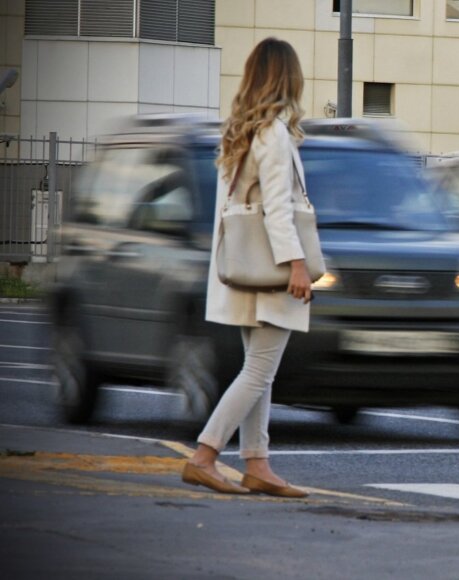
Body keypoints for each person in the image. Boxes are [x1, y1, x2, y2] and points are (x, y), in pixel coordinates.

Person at [181, 38, 314, 498]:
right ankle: (204, 455)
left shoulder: (241, 128)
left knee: (258, 368)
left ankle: (257, 462)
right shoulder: (273, 133)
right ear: (287, 77)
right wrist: (297, 264)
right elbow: (278, 209)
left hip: (246, 267)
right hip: (272, 269)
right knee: (259, 369)